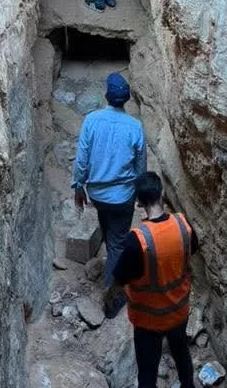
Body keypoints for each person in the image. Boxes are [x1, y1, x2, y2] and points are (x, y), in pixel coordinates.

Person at [105, 171, 199, 388]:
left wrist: (109, 296)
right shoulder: (182, 225)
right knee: (182, 355)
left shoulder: (137, 241)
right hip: (178, 311)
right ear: (162, 194)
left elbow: (119, 280)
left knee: (147, 374)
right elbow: (191, 250)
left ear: (139, 202)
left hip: (149, 321)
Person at [72, 73, 147, 297]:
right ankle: (112, 293)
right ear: (127, 99)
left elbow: (82, 158)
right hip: (123, 196)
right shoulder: (135, 126)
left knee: (108, 228)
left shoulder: (91, 120)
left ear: (106, 96)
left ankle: (111, 278)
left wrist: (78, 186)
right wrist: (140, 195)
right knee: (118, 241)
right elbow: (140, 166)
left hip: (97, 194)